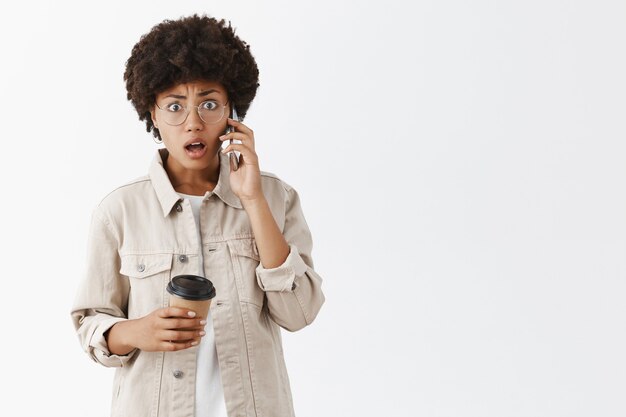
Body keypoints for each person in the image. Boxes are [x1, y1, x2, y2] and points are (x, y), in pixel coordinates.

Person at [70, 14, 325, 417]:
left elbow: (299, 312)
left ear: (231, 111)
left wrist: (253, 200)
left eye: (209, 104)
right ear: (152, 114)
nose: (193, 123)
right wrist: (137, 331)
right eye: (174, 106)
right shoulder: (118, 211)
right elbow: (90, 327)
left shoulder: (276, 197)